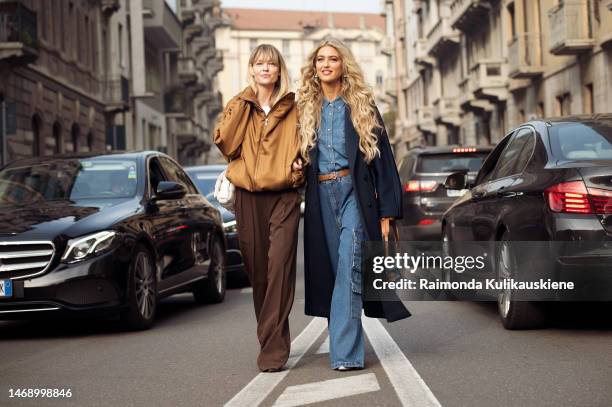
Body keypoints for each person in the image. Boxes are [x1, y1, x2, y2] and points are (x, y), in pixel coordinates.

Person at [295, 39, 411, 371]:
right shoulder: (306, 108)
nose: (327, 64)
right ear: (314, 67)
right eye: (321, 60)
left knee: (349, 265)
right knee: (332, 273)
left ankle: (345, 353)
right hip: (319, 196)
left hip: (354, 196)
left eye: (333, 59)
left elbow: (384, 160)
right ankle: (346, 342)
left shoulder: (360, 105)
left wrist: (388, 211)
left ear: (344, 64)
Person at [214, 44, 304, 372]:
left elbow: (309, 145)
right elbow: (225, 142)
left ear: (279, 70)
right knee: (259, 273)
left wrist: (301, 165)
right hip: (248, 198)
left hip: (284, 196)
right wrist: (245, 100)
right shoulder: (240, 105)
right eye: (259, 64)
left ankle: (271, 349)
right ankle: (272, 337)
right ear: (251, 70)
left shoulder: (295, 107)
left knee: (279, 266)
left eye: (271, 64)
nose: (265, 68)